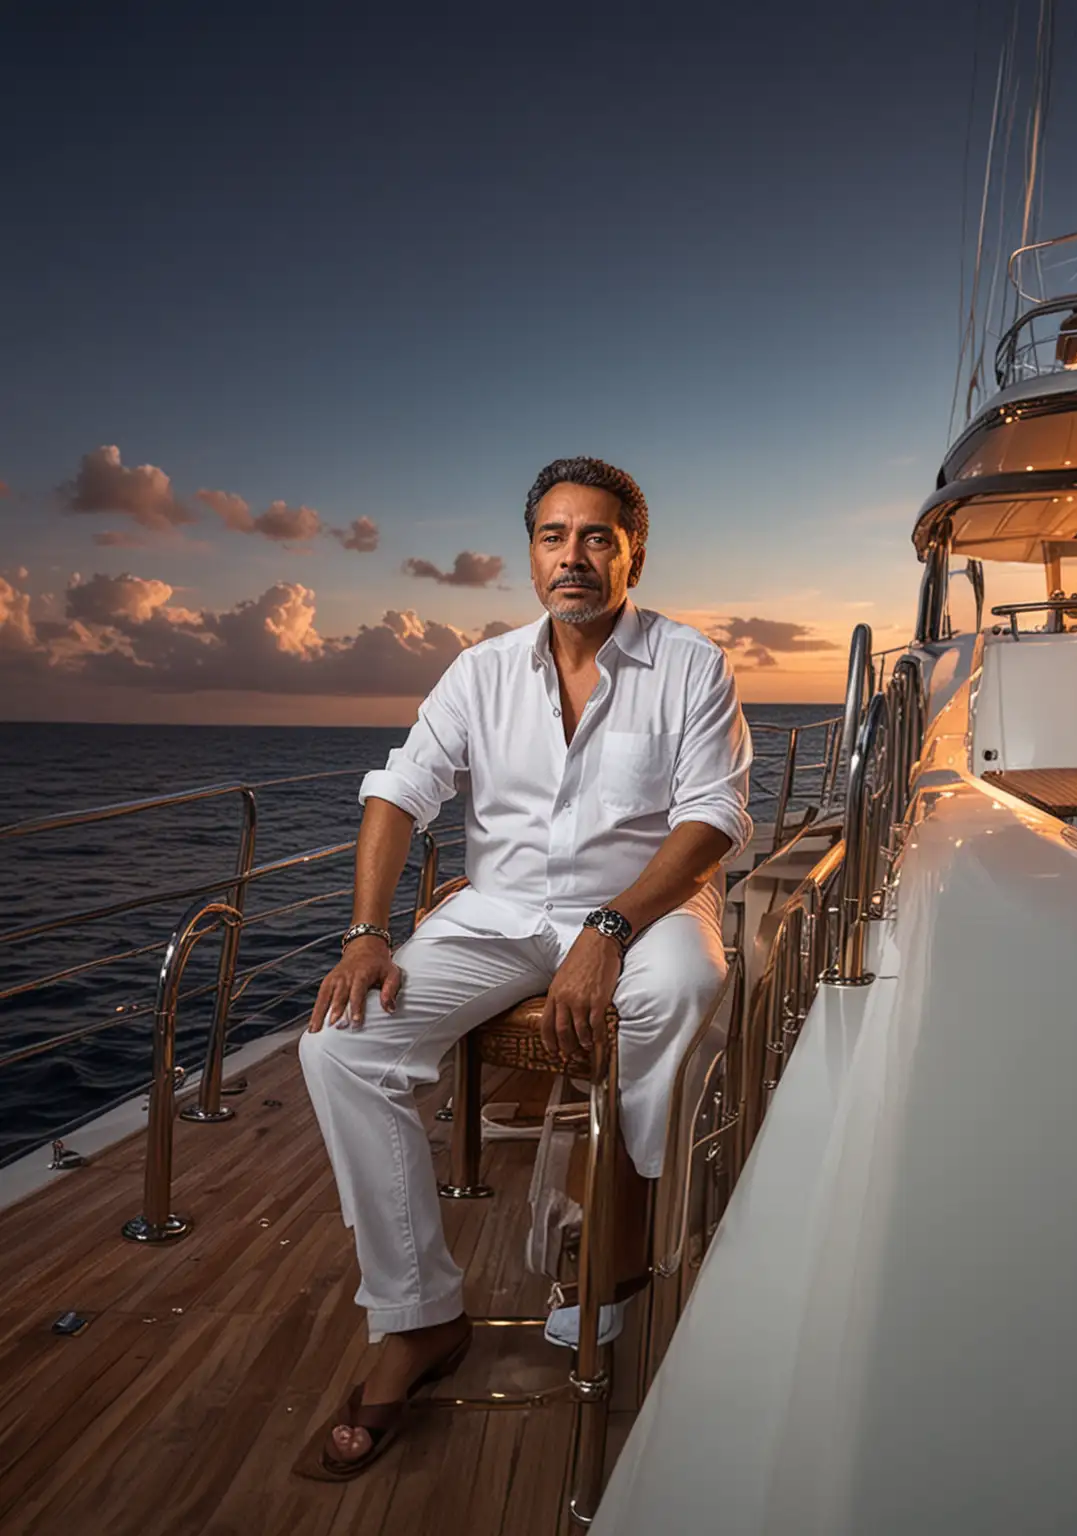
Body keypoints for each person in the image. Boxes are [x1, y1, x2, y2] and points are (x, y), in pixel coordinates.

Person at [299, 456, 752, 1477]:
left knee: (684, 987)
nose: (574, 557)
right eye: (554, 536)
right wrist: (365, 933)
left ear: (635, 551)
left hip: (652, 903)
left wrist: (610, 928)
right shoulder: (481, 672)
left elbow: (713, 817)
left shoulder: (689, 664)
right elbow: (399, 794)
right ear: (532, 550)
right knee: (340, 1047)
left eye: (597, 537)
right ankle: (417, 1316)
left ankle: (624, 1246)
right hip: (501, 910)